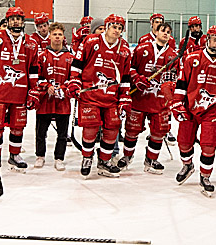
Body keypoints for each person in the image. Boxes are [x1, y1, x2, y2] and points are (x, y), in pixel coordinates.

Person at [171, 25, 216, 196]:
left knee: (209, 145)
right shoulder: (192, 59)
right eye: (214, 39)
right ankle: (187, 165)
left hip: (212, 110)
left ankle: (205, 176)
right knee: (184, 142)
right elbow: (181, 83)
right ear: (207, 39)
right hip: (189, 106)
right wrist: (177, 103)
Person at [0, 6, 39, 174]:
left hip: (20, 93)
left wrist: (34, 90)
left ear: (23, 22)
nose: (16, 21)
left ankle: (15, 155)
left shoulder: (31, 43)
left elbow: (33, 70)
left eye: (19, 19)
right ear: (7, 21)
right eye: (13, 19)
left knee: (18, 126)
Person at [67, 14, 131, 177]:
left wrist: (124, 96)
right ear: (107, 27)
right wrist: (74, 81)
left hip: (111, 98)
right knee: (91, 128)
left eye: (120, 28)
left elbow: (125, 76)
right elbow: (77, 64)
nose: (116, 30)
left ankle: (104, 161)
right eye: (114, 27)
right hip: (90, 95)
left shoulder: (124, 49)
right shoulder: (91, 41)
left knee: (112, 129)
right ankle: (87, 158)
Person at [122, 21, 177, 173]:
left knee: (159, 131)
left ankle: (151, 160)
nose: (165, 33)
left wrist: (169, 85)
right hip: (139, 98)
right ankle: (127, 156)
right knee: (132, 130)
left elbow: (174, 78)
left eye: (168, 32)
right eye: (163, 30)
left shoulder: (173, 55)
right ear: (156, 32)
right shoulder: (142, 49)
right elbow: (130, 68)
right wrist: (137, 78)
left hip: (159, 101)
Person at [31, 22, 73, 170]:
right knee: (40, 132)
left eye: (60, 34)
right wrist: (46, 86)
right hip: (45, 101)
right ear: (49, 36)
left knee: (62, 133)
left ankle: (59, 158)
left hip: (63, 102)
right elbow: (36, 77)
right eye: (54, 34)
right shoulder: (41, 56)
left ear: (63, 37)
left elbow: (73, 78)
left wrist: (64, 88)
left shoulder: (70, 57)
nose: (57, 37)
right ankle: (40, 156)